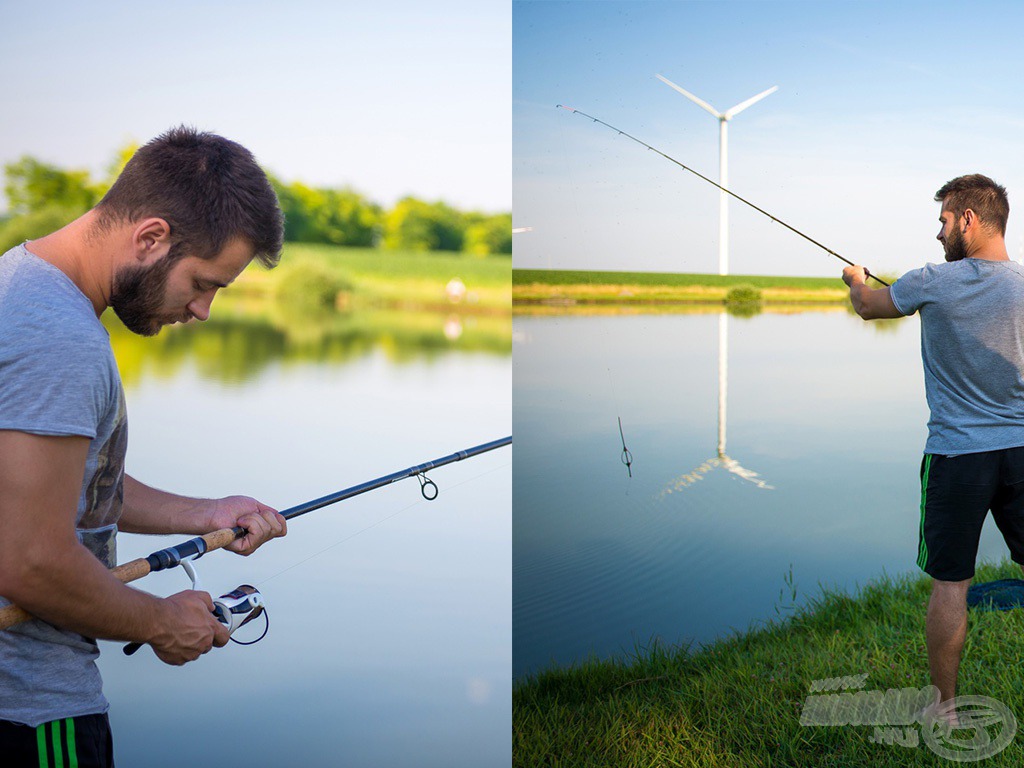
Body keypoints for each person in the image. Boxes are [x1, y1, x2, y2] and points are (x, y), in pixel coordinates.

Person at [0, 126, 288, 766]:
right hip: (29, 718)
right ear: (152, 238)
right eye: (205, 282)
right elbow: (31, 560)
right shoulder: (59, 341)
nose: (204, 309)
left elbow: (57, 491)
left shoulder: (17, 286)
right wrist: (162, 622)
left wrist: (204, 515)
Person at [843, 173, 1024, 711]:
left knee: (951, 585)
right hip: (1020, 453)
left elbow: (869, 306)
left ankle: (943, 709)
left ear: (968, 219)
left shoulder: (931, 281)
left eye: (944, 220)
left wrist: (855, 278)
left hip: (956, 456)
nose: (939, 233)